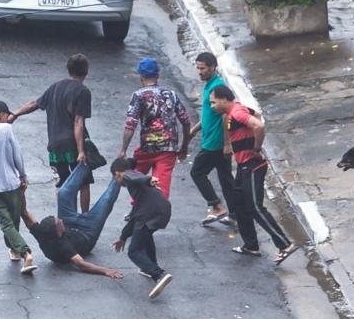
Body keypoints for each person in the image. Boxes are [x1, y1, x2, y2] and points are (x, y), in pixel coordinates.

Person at [209, 86, 299, 266]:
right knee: (239, 205)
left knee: (255, 207)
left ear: (223, 99)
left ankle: (285, 245)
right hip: (244, 166)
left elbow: (259, 125)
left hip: (252, 166)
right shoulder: (235, 112)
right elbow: (256, 114)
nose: (212, 106)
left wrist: (256, 149)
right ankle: (251, 245)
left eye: (213, 102)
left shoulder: (237, 113)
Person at [10, 54, 94, 212]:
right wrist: (81, 151)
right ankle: (84, 218)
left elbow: (35, 103)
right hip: (73, 145)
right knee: (83, 182)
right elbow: (78, 122)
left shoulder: (55, 87)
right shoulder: (83, 92)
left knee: (62, 182)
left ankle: (64, 217)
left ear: (68, 69)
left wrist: (15, 114)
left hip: (55, 146)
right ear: (86, 71)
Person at [23, 163, 124, 278]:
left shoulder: (42, 232)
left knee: (63, 193)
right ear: (59, 233)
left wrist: (20, 192)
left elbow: (26, 215)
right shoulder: (63, 246)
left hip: (70, 224)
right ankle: (119, 175)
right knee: (106, 200)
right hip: (87, 233)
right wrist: (106, 270)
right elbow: (81, 264)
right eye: (58, 222)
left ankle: (86, 162)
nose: (59, 220)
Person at [0, 100, 37, 275]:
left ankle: (14, 250)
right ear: (1, 115)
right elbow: (17, 154)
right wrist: (23, 174)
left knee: (7, 222)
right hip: (10, 183)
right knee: (13, 219)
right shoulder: (6, 129)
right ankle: (26, 252)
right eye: (7, 115)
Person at [117, 57, 190, 200]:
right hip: (168, 148)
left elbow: (130, 125)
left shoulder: (138, 95)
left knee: (133, 178)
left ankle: (137, 207)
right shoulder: (171, 95)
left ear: (141, 77)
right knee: (161, 189)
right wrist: (184, 146)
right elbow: (186, 121)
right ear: (157, 75)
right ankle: (156, 212)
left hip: (147, 147)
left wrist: (123, 149)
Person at [111, 158, 173, 299]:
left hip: (149, 213)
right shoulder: (138, 190)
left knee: (134, 251)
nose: (117, 182)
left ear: (117, 174)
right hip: (161, 209)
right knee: (146, 237)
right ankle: (150, 267)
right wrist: (123, 237)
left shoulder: (128, 175)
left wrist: (148, 179)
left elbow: (134, 177)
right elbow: (133, 217)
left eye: (115, 178)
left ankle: (158, 274)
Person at [187, 52, 236, 226]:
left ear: (213, 68)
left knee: (197, 172)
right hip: (213, 140)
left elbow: (226, 115)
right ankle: (235, 214)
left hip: (214, 143)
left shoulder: (218, 87)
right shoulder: (209, 85)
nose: (199, 72)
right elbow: (209, 114)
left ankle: (216, 206)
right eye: (198, 68)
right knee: (225, 179)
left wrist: (227, 143)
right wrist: (194, 130)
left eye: (203, 68)